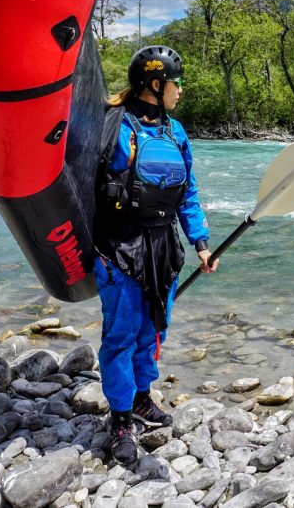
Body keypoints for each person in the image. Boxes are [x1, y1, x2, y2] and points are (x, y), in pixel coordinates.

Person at [93, 45, 218, 465]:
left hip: (163, 246)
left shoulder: (175, 132)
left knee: (155, 328)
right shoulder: (112, 127)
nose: (180, 91)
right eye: (176, 83)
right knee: (122, 335)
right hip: (120, 246)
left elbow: (188, 193)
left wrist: (200, 243)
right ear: (155, 84)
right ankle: (121, 420)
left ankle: (143, 397)